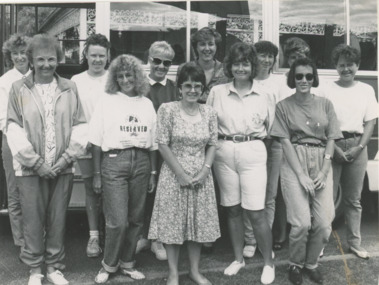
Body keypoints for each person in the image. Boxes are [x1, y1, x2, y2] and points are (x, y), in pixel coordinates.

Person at [6, 33, 88, 285]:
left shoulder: (69, 87)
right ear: (31, 59)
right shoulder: (18, 89)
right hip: (30, 169)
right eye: (40, 59)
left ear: (58, 59)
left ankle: (53, 267)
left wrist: (65, 159)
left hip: (61, 167)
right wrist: (37, 163)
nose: (46, 65)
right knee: (32, 219)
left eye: (51, 59)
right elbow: (13, 127)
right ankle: (34, 269)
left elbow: (80, 125)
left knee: (57, 218)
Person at [207, 42, 275, 284]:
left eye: (245, 63)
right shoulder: (217, 92)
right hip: (223, 152)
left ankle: (268, 263)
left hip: (253, 150)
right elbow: (209, 125)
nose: (240, 68)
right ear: (230, 66)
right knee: (233, 208)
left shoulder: (265, 94)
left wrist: (253, 150)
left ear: (252, 65)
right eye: (236, 63)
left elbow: (271, 130)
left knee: (256, 211)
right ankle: (238, 259)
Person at [270, 57, 342, 285]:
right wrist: (301, 175)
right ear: (293, 78)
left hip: (322, 159)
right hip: (295, 161)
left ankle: (311, 264)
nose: (304, 80)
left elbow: (331, 138)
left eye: (308, 76)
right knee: (301, 222)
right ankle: (295, 264)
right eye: (299, 76)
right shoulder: (283, 106)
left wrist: (323, 170)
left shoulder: (326, 104)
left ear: (314, 78)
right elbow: (285, 142)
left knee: (323, 223)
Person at [148, 62, 220, 285]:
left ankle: (195, 271)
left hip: (201, 177)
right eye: (187, 85)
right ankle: (172, 273)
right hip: (173, 176)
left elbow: (212, 144)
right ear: (179, 88)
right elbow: (162, 143)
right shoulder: (167, 109)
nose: (192, 90)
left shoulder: (209, 112)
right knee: (173, 225)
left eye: (197, 86)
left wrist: (205, 171)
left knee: (197, 225)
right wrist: (180, 173)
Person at [90, 54, 158, 284]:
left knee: (136, 218)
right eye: (120, 76)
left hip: (141, 161)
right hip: (114, 161)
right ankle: (109, 264)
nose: (125, 80)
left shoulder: (146, 103)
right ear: (114, 79)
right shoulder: (106, 100)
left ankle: (128, 263)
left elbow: (154, 142)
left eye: (129, 75)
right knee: (117, 220)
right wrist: (97, 174)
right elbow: (96, 140)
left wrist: (152, 172)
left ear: (137, 76)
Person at [326, 44, 377, 259]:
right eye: (341, 65)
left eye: (350, 65)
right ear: (335, 66)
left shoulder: (366, 89)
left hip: (357, 145)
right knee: (326, 199)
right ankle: (319, 244)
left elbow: (370, 122)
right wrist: (335, 148)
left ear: (357, 66)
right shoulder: (326, 89)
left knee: (353, 199)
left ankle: (355, 243)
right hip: (333, 144)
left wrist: (360, 147)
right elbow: (323, 122)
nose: (345, 69)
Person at [242, 41, 284, 258]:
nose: (267, 60)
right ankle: (249, 239)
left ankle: (263, 239)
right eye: (262, 55)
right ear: (254, 57)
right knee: (249, 194)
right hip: (252, 144)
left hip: (274, 144)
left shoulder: (279, 83)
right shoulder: (245, 80)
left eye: (271, 56)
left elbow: (283, 116)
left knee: (270, 195)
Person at [136, 41, 176, 261]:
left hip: (165, 152)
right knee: (143, 194)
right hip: (142, 149)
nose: (161, 66)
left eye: (166, 62)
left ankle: (157, 238)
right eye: (156, 61)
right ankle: (142, 236)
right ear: (148, 59)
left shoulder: (174, 88)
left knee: (162, 195)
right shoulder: (137, 85)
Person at [71, 33, 110, 258]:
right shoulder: (76, 80)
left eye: (101, 55)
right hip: (86, 143)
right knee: (91, 190)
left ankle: (109, 234)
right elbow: (74, 115)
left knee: (110, 190)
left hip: (110, 144)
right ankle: (94, 235)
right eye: (93, 55)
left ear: (107, 57)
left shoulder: (114, 78)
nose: (97, 60)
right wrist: (83, 139)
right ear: (85, 55)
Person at [0, 34, 31, 248]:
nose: (19, 57)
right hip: (11, 140)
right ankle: (21, 242)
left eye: (23, 53)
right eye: (15, 53)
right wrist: (17, 136)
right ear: (9, 56)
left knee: (36, 191)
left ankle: (37, 238)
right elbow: (3, 116)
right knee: (14, 191)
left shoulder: (40, 76)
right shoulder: (4, 81)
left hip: (36, 141)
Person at [178, 27, 228, 104]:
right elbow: (179, 96)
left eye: (211, 44)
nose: (207, 48)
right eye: (202, 44)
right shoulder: (184, 69)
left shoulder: (226, 71)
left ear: (216, 47)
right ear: (196, 47)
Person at [278, 37, 324, 101]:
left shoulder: (315, 81)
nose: (297, 61)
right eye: (293, 57)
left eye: (300, 57)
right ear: (288, 60)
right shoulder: (279, 82)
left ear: (307, 59)